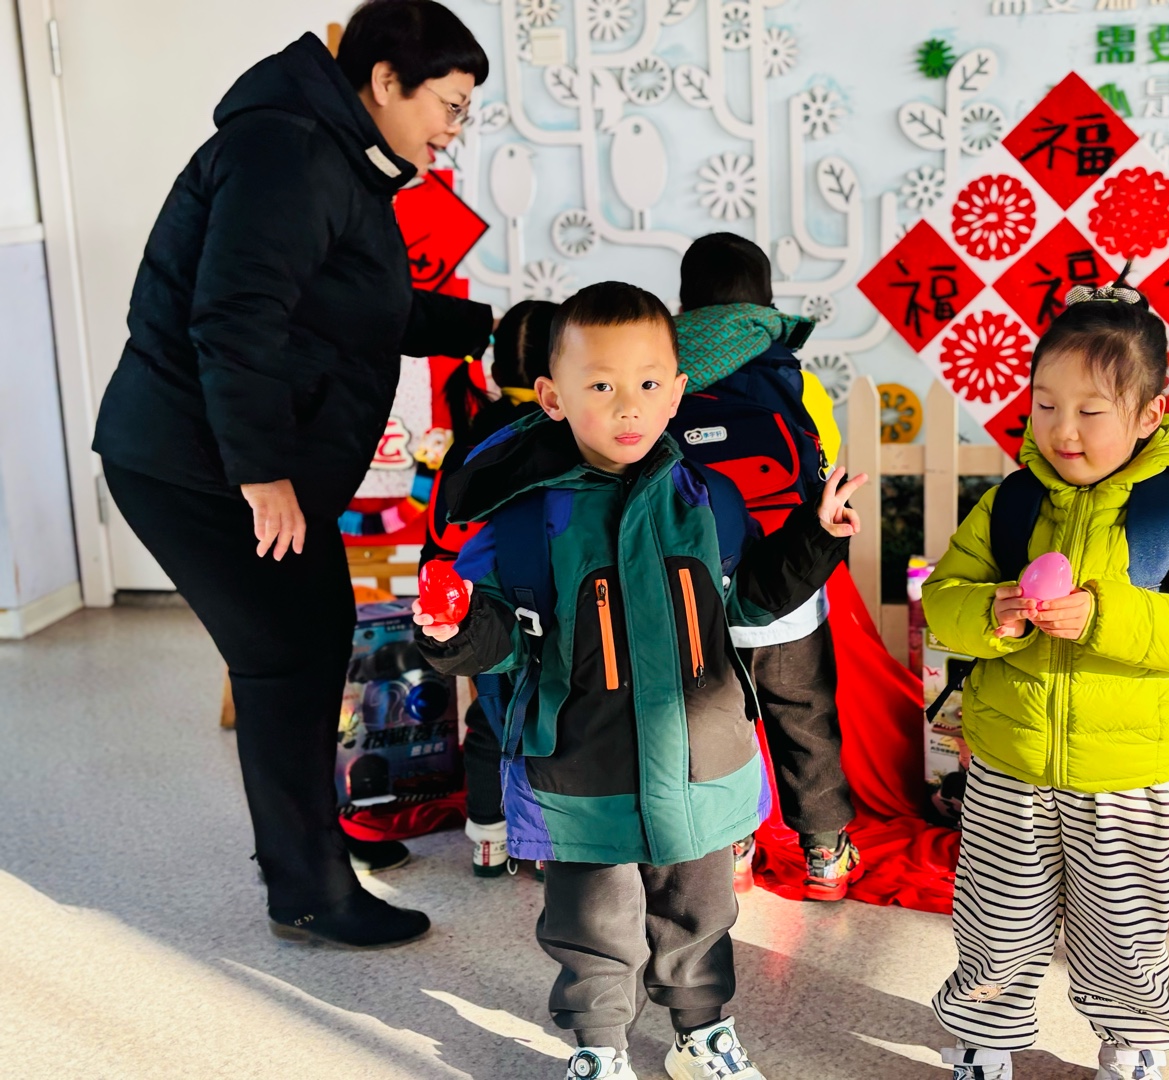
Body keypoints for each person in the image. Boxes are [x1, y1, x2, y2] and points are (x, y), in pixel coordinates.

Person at [91, 0, 495, 948]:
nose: (453, 129)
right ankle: (309, 890)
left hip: (224, 460)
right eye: (448, 105)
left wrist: (496, 329)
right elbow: (236, 316)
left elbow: (360, 304)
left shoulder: (339, 157)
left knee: (310, 640)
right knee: (287, 653)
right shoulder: (288, 151)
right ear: (385, 82)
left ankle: (315, 843)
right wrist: (264, 471)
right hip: (196, 465)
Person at [414, 282, 866, 1080]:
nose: (629, 405)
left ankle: (702, 1036)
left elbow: (747, 602)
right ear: (552, 397)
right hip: (580, 765)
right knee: (593, 923)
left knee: (701, 910)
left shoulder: (710, 500)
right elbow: (500, 641)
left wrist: (814, 537)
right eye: (601, 385)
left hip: (698, 758)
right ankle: (599, 1046)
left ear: (679, 391)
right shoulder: (523, 521)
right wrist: (453, 631)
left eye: (649, 383)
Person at [921, 274, 1169, 1080]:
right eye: (1045, 404)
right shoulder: (1009, 505)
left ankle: (1134, 1042)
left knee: (1125, 929)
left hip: (1128, 775)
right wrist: (992, 610)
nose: (1061, 429)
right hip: (1010, 764)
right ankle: (984, 1036)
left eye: (1091, 411)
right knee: (997, 921)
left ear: (1148, 416)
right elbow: (942, 600)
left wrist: (1108, 616)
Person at [669, 232, 859, 900]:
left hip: (693, 596)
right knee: (804, 716)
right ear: (766, 300)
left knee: (716, 726)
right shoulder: (789, 374)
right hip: (785, 590)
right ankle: (825, 854)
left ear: (685, 300)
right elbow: (823, 460)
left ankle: (732, 850)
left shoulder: (663, 371)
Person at [421, 299, 558, 876]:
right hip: (545, 601)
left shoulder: (471, 438)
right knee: (553, 717)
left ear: (496, 368)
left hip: (472, 607)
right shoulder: (563, 435)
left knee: (489, 716)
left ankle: (488, 837)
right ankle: (550, 845)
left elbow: (437, 536)